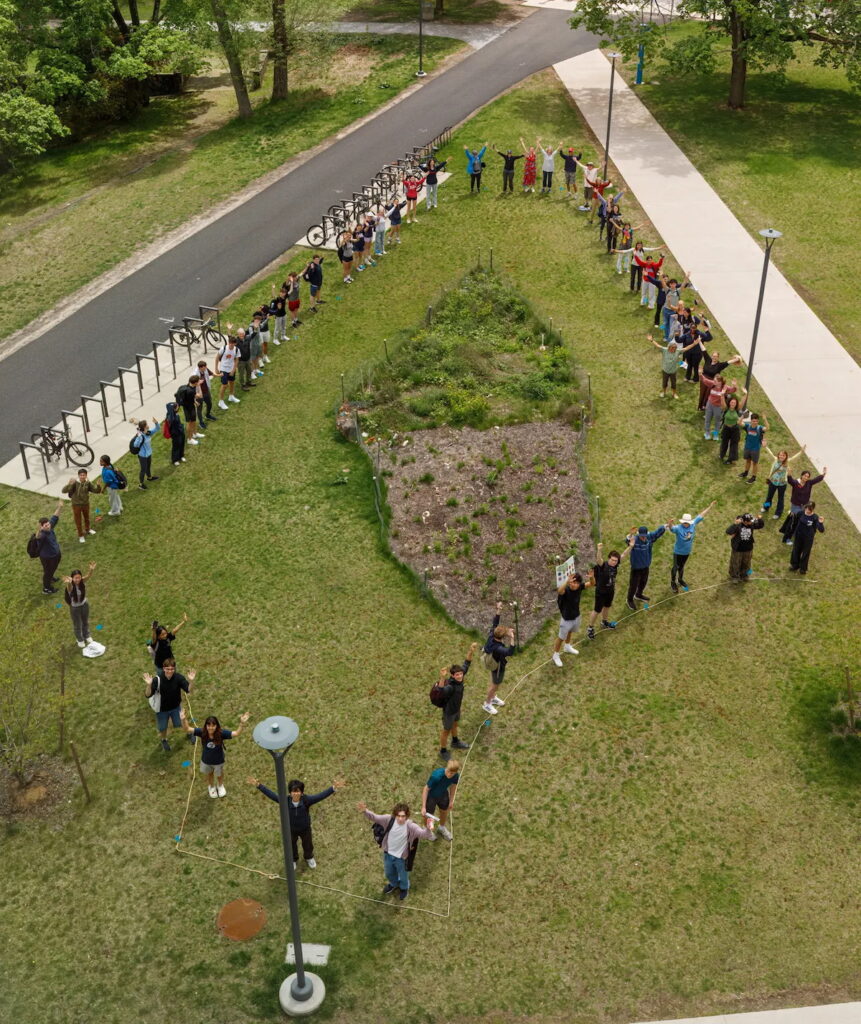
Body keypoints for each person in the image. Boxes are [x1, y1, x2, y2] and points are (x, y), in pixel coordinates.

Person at [249, 776, 346, 867]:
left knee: (307, 844)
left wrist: (333, 788)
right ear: (290, 793)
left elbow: (320, 796)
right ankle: (293, 859)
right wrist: (259, 785)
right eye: (293, 791)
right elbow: (272, 795)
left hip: (305, 828)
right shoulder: (285, 801)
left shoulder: (306, 800)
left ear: (302, 793)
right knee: (291, 845)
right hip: (291, 829)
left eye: (298, 791)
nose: (295, 794)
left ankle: (309, 857)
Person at [357, 800, 434, 900]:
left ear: (407, 816)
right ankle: (394, 884)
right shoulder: (388, 819)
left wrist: (428, 828)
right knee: (389, 873)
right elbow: (374, 817)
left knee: (403, 877)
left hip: (402, 859)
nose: (401, 819)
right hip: (388, 855)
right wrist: (365, 811)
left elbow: (424, 835)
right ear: (395, 815)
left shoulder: (411, 826)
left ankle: (404, 888)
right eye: (398, 816)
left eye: (403, 816)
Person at [179, 709, 250, 798]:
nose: (211, 728)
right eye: (208, 725)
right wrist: (183, 719)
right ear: (206, 726)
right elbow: (187, 728)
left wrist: (242, 723)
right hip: (206, 761)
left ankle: (220, 786)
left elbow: (236, 733)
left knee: (219, 774)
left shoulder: (221, 733)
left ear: (216, 726)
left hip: (218, 761)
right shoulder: (202, 732)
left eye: (213, 725)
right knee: (209, 774)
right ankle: (211, 787)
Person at [143, 658, 196, 752]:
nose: (170, 671)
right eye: (167, 669)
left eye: (172, 669)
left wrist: (191, 681)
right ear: (163, 669)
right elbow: (147, 695)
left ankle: (189, 733)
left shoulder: (178, 677)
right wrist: (149, 685)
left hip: (175, 707)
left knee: (182, 722)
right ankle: (164, 740)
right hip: (161, 710)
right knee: (163, 727)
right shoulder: (157, 680)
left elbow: (189, 690)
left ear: (174, 669)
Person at [437, 644, 477, 761]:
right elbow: (440, 690)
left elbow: (467, 662)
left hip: (456, 709)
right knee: (446, 731)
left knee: (455, 725)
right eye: (457, 675)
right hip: (449, 712)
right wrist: (442, 678)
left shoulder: (461, 675)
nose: (460, 676)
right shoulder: (450, 686)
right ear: (452, 676)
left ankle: (455, 742)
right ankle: (443, 751)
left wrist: (471, 650)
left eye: (461, 674)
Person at [587, 539, 633, 639]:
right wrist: (599, 550)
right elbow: (598, 560)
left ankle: (604, 622)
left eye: (615, 561)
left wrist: (631, 546)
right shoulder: (603, 565)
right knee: (597, 610)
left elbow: (624, 555)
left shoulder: (616, 565)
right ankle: (590, 628)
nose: (613, 562)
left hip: (610, 590)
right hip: (601, 592)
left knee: (607, 607)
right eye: (612, 560)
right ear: (608, 559)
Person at [668, 501, 715, 592]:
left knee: (681, 567)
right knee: (675, 567)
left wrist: (710, 506)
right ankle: (673, 582)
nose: (685, 524)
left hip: (686, 552)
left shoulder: (693, 523)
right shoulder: (678, 528)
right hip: (678, 552)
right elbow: (671, 529)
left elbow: (701, 515)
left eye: (686, 522)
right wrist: (670, 523)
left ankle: (680, 580)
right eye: (684, 522)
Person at [552, 569, 595, 667]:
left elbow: (592, 584)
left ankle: (567, 646)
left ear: (579, 584)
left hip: (576, 616)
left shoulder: (580, 587)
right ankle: (555, 655)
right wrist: (566, 582)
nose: (573, 585)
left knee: (570, 632)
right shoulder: (566, 590)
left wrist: (592, 577)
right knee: (561, 637)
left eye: (576, 583)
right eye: (572, 582)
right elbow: (560, 591)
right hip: (566, 619)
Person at [625, 521, 671, 609]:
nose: (643, 538)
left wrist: (666, 525)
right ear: (638, 535)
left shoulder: (649, 537)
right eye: (641, 536)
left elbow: (658, 532)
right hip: (636, 568)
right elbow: (627, 540)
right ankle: (629, 599)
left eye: (644, 536)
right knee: (633, 585)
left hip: (646, 566)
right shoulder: (634, 540)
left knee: (643, 582)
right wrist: (630, 535)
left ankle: (638, 595)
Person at [482, 602, 517, 715]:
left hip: (493, 662)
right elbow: (510, 652)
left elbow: (495, 622)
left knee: (495, 685)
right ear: (502, 637)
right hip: (497, 668)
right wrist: (512, 638)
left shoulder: (493, 634)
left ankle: (493, 697)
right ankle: (487, 704)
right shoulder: (498, 648)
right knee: (494, 685)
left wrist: (499, 610)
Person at [781, 467, 827, 544]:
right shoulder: (796, 483)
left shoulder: (809, 483)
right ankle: (787, 538)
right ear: (801, 476)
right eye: (805, 475)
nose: (806, 477)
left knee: (800, 522)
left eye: (807, 476)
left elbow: (817, 479)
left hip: (805, 507)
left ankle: (796, 535)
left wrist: (824, 473)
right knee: (793, 522)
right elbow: (790, 480)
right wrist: (789, 473)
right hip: (796, 506)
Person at [760, 445, 804, 520]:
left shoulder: (787, 462)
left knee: (780, 499)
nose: (781, 456)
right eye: (780, 455)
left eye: (783, 455)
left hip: (782, 484)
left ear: (786, 456)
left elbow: (794, 457)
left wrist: (801, 451)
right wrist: (766, 446)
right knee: (769, 496)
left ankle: (778, 513)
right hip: (773, 482)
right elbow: (770, 453)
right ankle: (765, 507)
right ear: (778, 455)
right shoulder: (775, 459)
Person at [649, 334, 698, 400]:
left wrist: (694, 344)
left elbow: (686, 348)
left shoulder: (678, 351)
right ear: (669, 347)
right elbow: (657, 345)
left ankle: (674, 393)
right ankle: (663, 392)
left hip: (673, 371)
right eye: (672, 348)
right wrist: (652, 340)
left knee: (674, 384)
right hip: (665, 370)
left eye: (674, 348)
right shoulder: (664, 350)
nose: (673, 349)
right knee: (664, 383)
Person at [421, 761, 459, 842]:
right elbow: (426, 789)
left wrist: (451, 801)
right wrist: (424, 806)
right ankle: (427, 831)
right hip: (431, 797)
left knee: (444, 811)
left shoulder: (456, 776)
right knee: (429, 816)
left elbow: (453, 786)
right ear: (446, 768)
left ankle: (441, 828)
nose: (449, 774)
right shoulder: (436, 776)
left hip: (443, 794)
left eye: (452, 773)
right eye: (448, 771)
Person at [61, 468, 101, 543]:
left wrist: (98, 486)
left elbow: (96, 491)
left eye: (84, 475)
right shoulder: (74, 483)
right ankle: (81, 535)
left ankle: (88, 529)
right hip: (76, 505)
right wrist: (69, 484)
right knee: (78, 520)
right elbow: (63, 491)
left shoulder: (88, 483)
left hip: (86, 504)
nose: (82, 476)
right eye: (81, 475)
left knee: (87, 518)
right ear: (78, 476)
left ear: (86, 475)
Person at [62, 562, 97, 648]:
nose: (77, 580)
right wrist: (69, 582)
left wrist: (91, 570)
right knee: (77, 624)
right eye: (75, 578)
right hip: (75, 608)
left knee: (85, 621)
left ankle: (87, 635)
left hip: (84, 605)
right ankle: (80, 639)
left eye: (79, 577)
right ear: (72, 578)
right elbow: (69, 587)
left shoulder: (82, 581)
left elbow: (88, 576)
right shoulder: (70, 586)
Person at [35, 500, 64, 594]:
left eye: (48, 524)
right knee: (48, 572)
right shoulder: (42, 535)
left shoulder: (50, 527)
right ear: (42, 527)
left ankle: (51, 578)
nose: (48, 526)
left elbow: (55, 517)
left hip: (55, 554)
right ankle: (46, 588)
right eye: (45, 525)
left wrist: (60, 507)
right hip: (48, 557)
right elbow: (37, 537)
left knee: (51, 570)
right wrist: (39, 529)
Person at [726, 512, 764, 581]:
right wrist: (735, 524)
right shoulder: (738, 525)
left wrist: (760, 519)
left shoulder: (751, 524)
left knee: (747, 563)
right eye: (750, 521)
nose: (751, 522)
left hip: (748, 549)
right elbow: (728, 531)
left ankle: (745, 576)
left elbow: (760, 525)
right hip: (738, 549)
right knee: (736, 563)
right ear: (745, 522)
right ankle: (735, 577)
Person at [789, 503, 824, 574]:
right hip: (798, 536)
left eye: (810, 509)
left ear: (813, 509)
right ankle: (795, 565)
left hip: (808, 539)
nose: (808, 510)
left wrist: (820, 523)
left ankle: (803, 568)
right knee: (796, 551)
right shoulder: (800, 513)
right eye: (807, 508)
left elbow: (821, 530)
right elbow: (795, 522)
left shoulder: (815, 517)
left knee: (805, 553)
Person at [128, 417, 161, 489]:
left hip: (149, 454)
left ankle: (149, 477)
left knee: (148, 467)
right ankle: (141, 484)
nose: (148, 426)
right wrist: (139, 437)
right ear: (144, 427)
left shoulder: (148, 432)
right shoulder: (140, 436)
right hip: (142, 456)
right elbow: (135, 445)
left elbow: (157, 429)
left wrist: (156, 423)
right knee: (143, 470)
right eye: (147, 425)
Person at [738, 413, 769, 484]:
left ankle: (754, 477)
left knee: (755, 463)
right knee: (748, 461)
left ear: (758, 421)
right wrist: (743, 416)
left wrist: (765, 419)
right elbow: (739, 423)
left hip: (755, 449)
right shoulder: (747, 426)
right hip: (747, 447)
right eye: (753, 421)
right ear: (751, 420)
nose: (755, 422)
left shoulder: (760, 428)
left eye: (756, 421)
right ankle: (745, 473)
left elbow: (767, 428)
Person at [719, 392, 747, 465]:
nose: (733, 404)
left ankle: (731, 459)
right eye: (732, 402)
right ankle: (721, 455)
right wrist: (722, 395)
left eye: (734, 403)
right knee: (724, 442)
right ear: (729, 402)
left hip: (735, 429)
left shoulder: (737, 409)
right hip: (726, 428)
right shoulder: (726, 408)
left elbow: (742, 403)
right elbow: (722, 403)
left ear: (736, 404)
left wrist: (745, 394)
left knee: (734, 444)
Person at [175, 375, 204, 447]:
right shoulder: (191, 391)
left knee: (194, 420)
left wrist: (194, 402)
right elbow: (200, 395)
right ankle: (189, 439)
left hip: (191, 406)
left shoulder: (189, 386)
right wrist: (199, 386)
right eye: (198, 381)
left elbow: (190, 398)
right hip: (188, 408)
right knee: (189, 423)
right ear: (196, 383)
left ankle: (195, 433)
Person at [215, 334, 241, 409]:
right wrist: (216, 368)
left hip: (231, 369)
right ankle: (221, 401)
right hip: (223, 369)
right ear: (228, 342)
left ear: (235, 343)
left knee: (232, 383)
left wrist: (233, 370)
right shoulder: (223, 348)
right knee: (224, 385)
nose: (231, 344)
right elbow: (217, 358)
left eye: (233, 343)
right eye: (230, 343)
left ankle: (231, 396)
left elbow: (237, 360)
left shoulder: (236, 350)